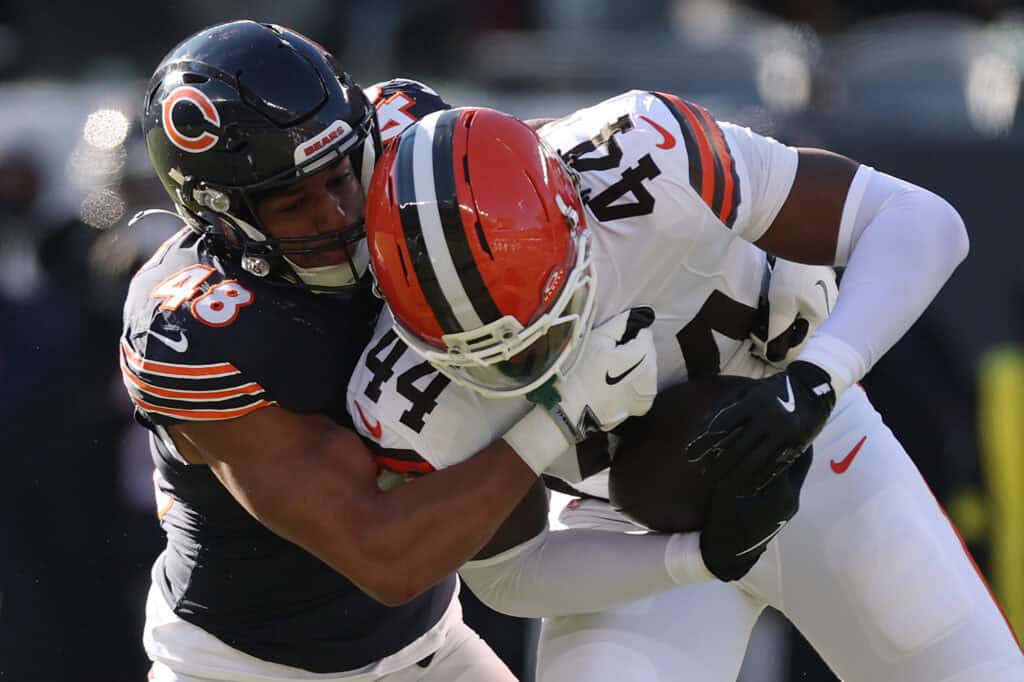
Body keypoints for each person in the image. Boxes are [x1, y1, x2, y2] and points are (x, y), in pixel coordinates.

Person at [350, 99, 1024, 681]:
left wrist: (815, 380)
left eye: (541, 333)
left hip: (813, 445)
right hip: (617, 528)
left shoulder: (647, 157)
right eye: (488, 360)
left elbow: (919, 218)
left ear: (575, 218)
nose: (525, 364)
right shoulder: (402, 394)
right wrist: (688, 558)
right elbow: (509, 572)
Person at [120, 21, 661, 681]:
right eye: (294, 204)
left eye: (340, 174)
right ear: (221, 216)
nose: (336, 212)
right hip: (252, 669)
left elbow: (567, 175)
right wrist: (561, 409)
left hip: (431, 645)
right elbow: (385, 558)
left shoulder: (409, 138)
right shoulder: (196, 329)